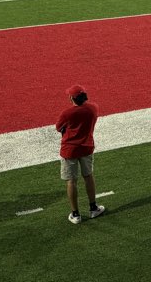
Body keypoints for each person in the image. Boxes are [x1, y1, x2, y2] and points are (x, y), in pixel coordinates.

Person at [55, 85, 105, 224]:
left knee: (71, 181)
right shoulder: (93, 108)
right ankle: (93, 208)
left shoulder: (67, 113)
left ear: (72, 98)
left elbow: (59, 127)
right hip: (86, 147)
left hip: (69, 150)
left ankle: (75, 214)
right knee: (88, 176)